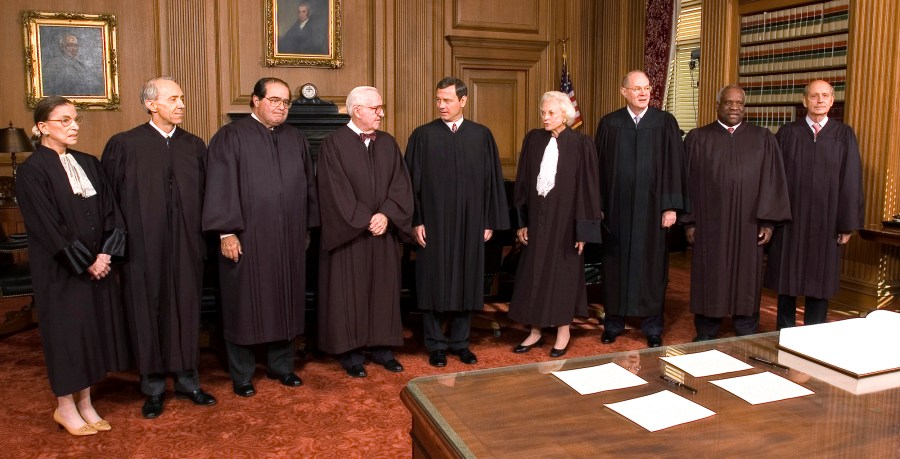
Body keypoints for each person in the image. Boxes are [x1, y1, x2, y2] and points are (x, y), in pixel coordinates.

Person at [101, 77, 215, 419]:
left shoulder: (194, 146)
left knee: (186, 307)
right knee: (145, 311)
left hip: (186, 246)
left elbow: (209, 196)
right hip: (142, 248)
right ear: (152, 104)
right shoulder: (124, 145)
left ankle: (187, 380)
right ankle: (151, 386)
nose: (181, 104)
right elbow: (110, 201)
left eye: (182, 97)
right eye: (173, 98)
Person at [16, 96, 130, 435]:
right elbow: (48, 227)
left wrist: (106, 255)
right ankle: (65, 407)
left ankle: (86, 403)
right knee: (66, 337)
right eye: (64, 120)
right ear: (41, 127)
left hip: (98, 267)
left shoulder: (89, 163)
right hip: (61, 271)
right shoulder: (32, 170)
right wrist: (85, 263)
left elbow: (112, 212)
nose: (74, 125)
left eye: (75, 119)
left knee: (89, 335)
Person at [202, 77, 319, 397]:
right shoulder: (230, 137)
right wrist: (227, 233)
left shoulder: (295, 138)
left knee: (285, 300)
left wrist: (307, 228)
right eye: (274, 100)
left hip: (288, 238)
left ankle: (283, 366)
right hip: (247, 238)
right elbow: (220, 186)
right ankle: (242, 374)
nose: (281, 107)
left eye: (286, 102)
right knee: (244, 303)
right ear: (255, 100)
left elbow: (308, 186)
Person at [404, 77, 510, 367]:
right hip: (433, 225)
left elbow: (492, 183)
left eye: (447, 100)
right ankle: (436, 345)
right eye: (438, 99)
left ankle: (461, 343)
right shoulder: (422, 136)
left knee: (466, 279)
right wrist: (416, 221)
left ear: (463, 101)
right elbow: (410, 183)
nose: (441, 105)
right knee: (433, 282)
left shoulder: (481, 136)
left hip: (470, 223)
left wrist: (488, 220)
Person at [317, 86, 414, 378]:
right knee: (350, 293)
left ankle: (383, 348)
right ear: (357, 110)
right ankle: (352, 351)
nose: (381, 113)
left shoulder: (388, 143)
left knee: (383, 290)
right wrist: (365, 219)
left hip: (382, 234)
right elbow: (333, 191)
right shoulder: (333, 144)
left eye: (380, 107)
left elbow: (401, 184)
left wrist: (386, 214)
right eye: (376, 108)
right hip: (351, 236)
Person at [681, 85, 791, 340]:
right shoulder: (699, 138)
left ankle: (746, 327)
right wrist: (690, 222)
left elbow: (771, 181)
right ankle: (707, 328)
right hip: (711, 223)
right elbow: (687, 182)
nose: (734, 107)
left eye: (739, 103)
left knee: (747, 275)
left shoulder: (763, 138)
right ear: (717, 105)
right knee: (711, 272)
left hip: (749, 222)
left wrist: (768, 222)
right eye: (728, 103)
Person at [594, 70, 687, 348]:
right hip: (616, 210)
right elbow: (598, 168)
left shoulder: (665, 122)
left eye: (647, 88)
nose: (644, 93)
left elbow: (675, 165)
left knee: (652, 266)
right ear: (624, 92)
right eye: (637, 89)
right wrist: (598, 205)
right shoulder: (610, 124)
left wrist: (671, 206)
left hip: (652, 210)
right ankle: (613, 323)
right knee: (615, 264)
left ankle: (652, 326)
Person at [508, 91, 602, 358]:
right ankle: (535, 331)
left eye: (551, 112)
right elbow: (524, 183)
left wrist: (582, 230)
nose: (545, 117)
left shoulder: (581, 143)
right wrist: (522, 221)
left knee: (563, 276)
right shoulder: (533, 140)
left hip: (565, 224)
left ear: (565, 113)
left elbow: (588, 189)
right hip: (537, 222)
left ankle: (563, 332)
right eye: (543, 112)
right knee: (533, 274)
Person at [764, 80, 864, 329]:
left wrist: (846, 224)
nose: (819, 100)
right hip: (790, 219)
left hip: (827, 221)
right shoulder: (787, 133)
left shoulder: (843, 134)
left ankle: (813, 336)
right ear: (804, 100)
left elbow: (851, 180)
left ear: (832, 101)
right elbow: (772, 178)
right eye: (814, 96)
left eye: (825, 96)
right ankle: (783, 333)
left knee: (819, 281)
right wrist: (771, 219)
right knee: (787, 279)